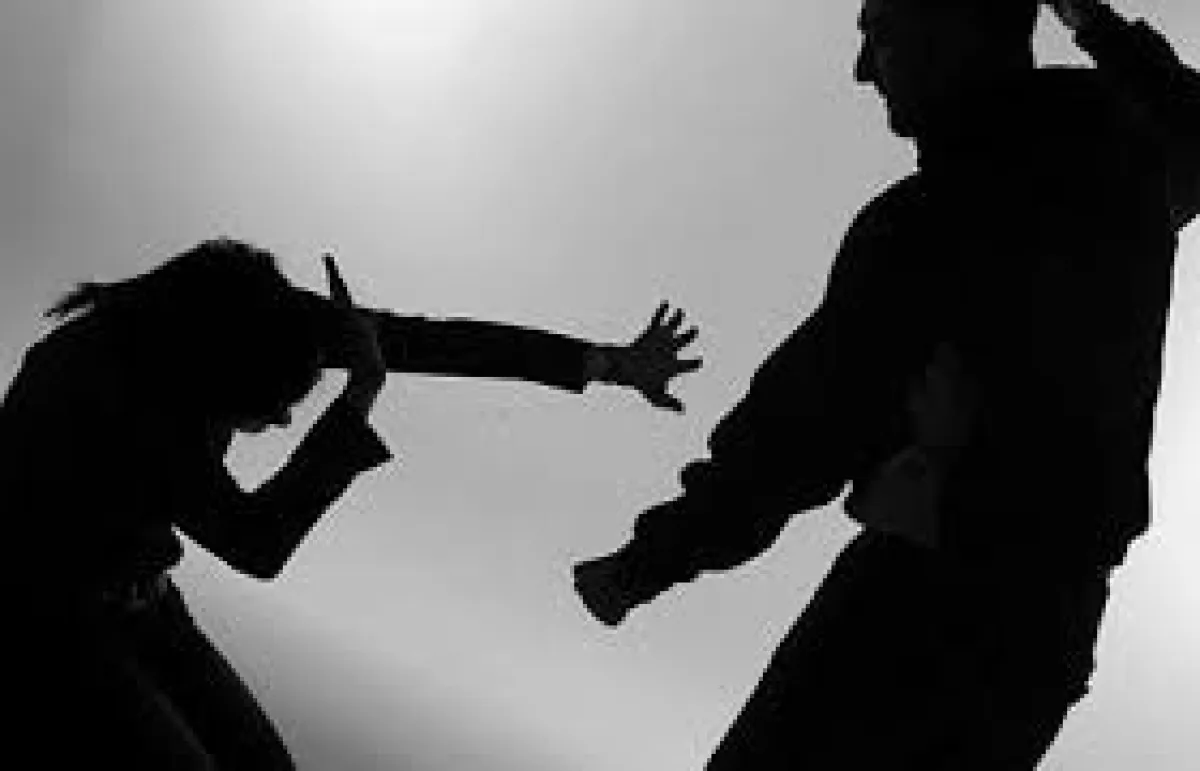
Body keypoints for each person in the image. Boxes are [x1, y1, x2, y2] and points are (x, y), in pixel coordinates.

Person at [574, 0, 1199, 767]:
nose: (863, 69)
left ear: (953, 26)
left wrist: (642, 564)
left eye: (879, 32)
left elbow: (793, 440)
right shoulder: (1120, 165)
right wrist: (1088, 17)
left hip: (916, 621)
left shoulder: (936, 219)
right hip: (1043, 643)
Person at [3, 238, 699, 768]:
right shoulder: (118, 392)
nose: (282, 420)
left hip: (141, 595)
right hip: (49, 619)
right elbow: (255, 543)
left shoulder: (257, 315)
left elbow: (428, 342)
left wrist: (609, 363)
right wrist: (358, 396)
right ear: (216, 370)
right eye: (271, 403)